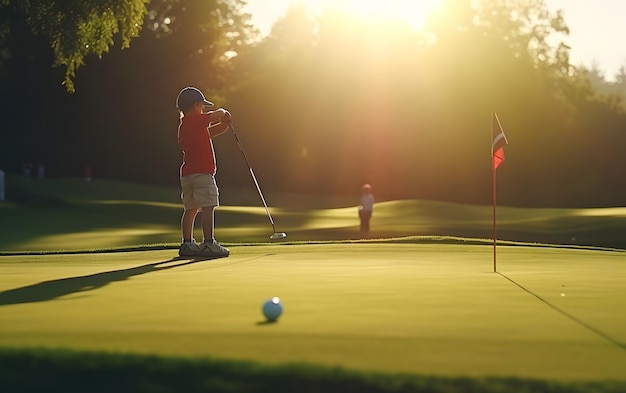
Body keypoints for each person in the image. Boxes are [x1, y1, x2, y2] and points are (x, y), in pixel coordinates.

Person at [176, 86, 232, 257]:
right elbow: (215, 115)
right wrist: (224, 112)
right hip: (202, 173)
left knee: (191, 209)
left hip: (188, 175)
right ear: (195, 105)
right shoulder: (196, 120)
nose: (203, 109)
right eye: (202, 106)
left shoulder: (185, 127)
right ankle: (208, 243)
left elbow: (212, 131)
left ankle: (187, 243)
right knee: (208, 206)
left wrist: (225, 124)